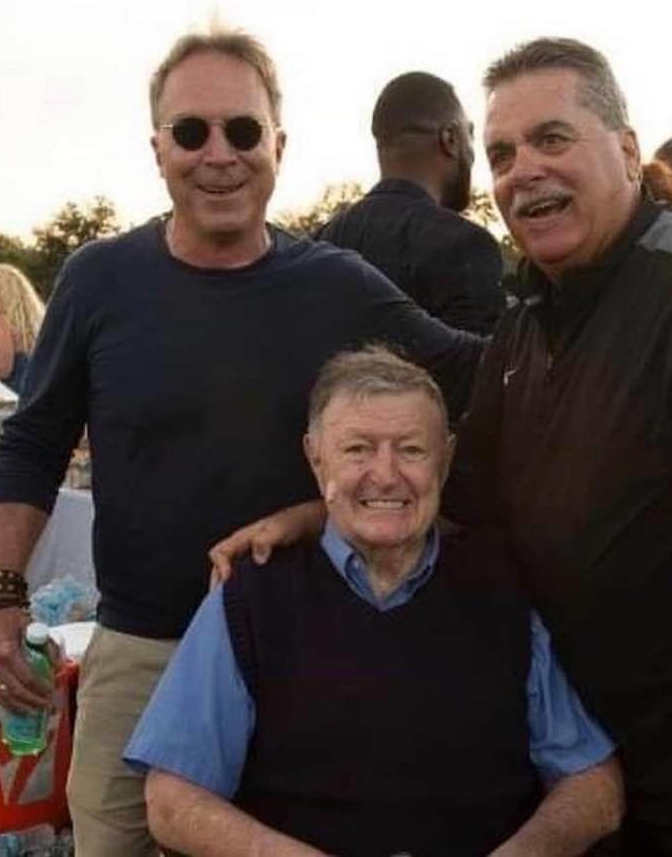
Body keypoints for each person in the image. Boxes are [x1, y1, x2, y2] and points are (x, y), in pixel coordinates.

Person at [214, 38, 672, 857]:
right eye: (501, 153)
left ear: (628, 151)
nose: (521, 170)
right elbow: (461, 493)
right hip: (591, 760)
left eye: (551, 138)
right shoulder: (528, 324)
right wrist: (307, 515)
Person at [0, 27, 483, 857]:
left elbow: (480, 381)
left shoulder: (336, 285)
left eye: (243, 131)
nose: (220, 155)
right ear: (158, 149)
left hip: (300, 652)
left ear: (278, 145)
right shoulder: (100, 279)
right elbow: (34, 441)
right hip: (140, 648)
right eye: (192, 132)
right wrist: (1, 596)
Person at [125, 347, 622, 856]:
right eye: (358, 450)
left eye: (411, 450)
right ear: (316, 459)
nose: (385, 475)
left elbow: (594, 785)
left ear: (446, 461)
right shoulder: (251, 597)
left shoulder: (501, 590)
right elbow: (172, 801)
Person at [316, 71, 505, 334]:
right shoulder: (466, 245)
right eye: (470, 134)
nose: (474, 154)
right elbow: (483, 369)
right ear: (449, 139)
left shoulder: (322, 241)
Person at [0, 264, 45, 392]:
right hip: (34, 393)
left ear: (2, 294)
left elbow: (2, 370)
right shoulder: (36, 320)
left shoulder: (4, 322)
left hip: (12, 397)